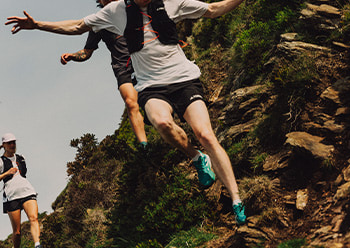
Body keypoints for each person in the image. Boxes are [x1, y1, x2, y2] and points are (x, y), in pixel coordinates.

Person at [5, 0, 247, 225]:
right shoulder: (115, 11)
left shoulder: (171, 3)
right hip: (151, 87)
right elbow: (78, 26)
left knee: (206, 134)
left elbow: (214, 9)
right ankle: (197, 157)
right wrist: (38, 25)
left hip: (185, 80)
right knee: (162, 124)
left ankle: (236, 199)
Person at [60, 0, 148, 148]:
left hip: (143, 60)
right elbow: (87, 52)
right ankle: (144, 144)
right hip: (122, 67)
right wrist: (72, 56)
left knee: (151, 98)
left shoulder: (131, 8)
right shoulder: (98, 22)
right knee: (130, 102)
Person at [0, 133, 42, 248]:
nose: (13, 145)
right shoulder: (1, 161)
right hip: (11, 196)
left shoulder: (21, 158)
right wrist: (7, 173)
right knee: (17, 232)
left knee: (34, 218)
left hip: (27, 192)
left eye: (14, 142)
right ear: (4, 145)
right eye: (9, 143)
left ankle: (37, 245)